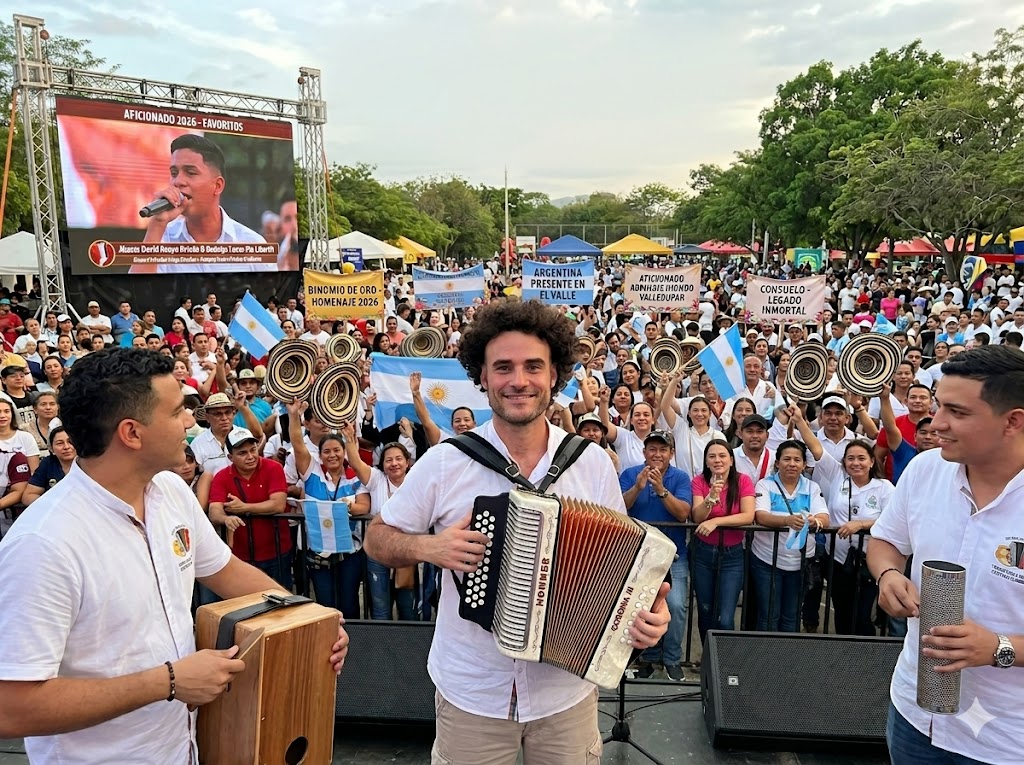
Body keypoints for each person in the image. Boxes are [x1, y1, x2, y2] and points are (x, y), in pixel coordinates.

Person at [0, 349, 348, 762]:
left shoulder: (169, 490)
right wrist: (166, 682)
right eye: (178, 411)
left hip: (183, 750)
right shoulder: (43, 544)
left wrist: (311, 620)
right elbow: (12, 708)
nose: (189, 422)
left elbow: (228, 571)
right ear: (132, 433)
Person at [364, 299, 669, 764]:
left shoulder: (590, 463)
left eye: (533, 366)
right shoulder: (447, 461)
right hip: (473, 692)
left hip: (566, 693)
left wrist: (647, 616)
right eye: (502, 367)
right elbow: (378, 537)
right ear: (482, 377)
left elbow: (621, 571)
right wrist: (430, 547)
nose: (518, 381)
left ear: (554, 376)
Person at [869, 345, 1024, 765]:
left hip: (1005, 740)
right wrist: (887, 576)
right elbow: (884, 542)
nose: (936, 424)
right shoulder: (924, 470)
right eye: (938, 406)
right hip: (913, 718)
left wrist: (1000, 647)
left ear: (1013, 421)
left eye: (957, 412)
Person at [792, 409, 895, 636]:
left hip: (870, 561)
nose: (855, 463)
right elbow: (816, 449)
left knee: (862, 615)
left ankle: (864, 658)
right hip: (838, 560)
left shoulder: (885, 488)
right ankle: (844, 659)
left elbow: (892, 519)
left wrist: (861, 525)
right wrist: (799, 421)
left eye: (861, 458)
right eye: (850, 458)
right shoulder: (838, 474)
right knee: (842, 612)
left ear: (871, 461)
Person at [286, 402, 370, 618]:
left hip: (349, 551)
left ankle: (353, 645)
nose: (332, 455)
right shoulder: (312, 473)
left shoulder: (355, 477)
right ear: (320, 456)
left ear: (344, 452)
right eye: (326, 452)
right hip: (318, 551)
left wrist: (348, 507)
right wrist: (294, 415)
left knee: (349, 602)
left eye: (336, 450)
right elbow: (297, 444)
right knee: (325, 604)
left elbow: (365, 506)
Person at [620, 430, 692, 680]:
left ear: (671, 453)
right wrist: (638, 487)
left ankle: (672, 658)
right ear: (644, 452)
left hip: (674, 554)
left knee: (676, 605)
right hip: (640, 554)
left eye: (663, 449)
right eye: (652, 449)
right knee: (642, 605)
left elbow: (683, 513)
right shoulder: (630, 474)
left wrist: (661, 490)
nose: (657, 454)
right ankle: (647, 657)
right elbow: (619, 508)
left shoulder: (680, 477)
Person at [140, 134, 269, 273]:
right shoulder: (160, 238)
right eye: (174, 173)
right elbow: (136, 292)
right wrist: (157, 225)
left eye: (190, 172)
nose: (178, 181)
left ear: (218, 186)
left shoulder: (252, 244)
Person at [342, 420, 417, 620]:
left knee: (407, 604)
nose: (394, 463)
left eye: (399, 459)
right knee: (380, 605)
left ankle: (410, 650)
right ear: (382, 465)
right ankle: (381, 646)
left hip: (406, 551)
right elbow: (356, 463)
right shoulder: (376, 479)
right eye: (388, 460)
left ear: (407, 462)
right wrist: (349, 438)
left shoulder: (416, 481)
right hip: (377, 551)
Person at [751, 439, 829, 631]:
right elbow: (761, 516)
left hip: (801, 562)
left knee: (792, 615)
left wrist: (814, 521)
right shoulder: (765, 485)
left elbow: (824, 517)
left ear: (804, 464)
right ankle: (766, 658)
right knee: (769, 613)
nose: (792, 464)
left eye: (797, 460)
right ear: (777, 462)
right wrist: (787, 521)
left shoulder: (812, 487)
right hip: (767, 560)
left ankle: (787, 658)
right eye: (786, 459)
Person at [690, 439, 755, 641]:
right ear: (706, 461)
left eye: (722, 455)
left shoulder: (743, 481)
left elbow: (748, 515)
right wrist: (710, 498)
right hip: (703, 553)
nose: (717, 460)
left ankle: (724, 660)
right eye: (712, 456)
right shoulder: (699, 481)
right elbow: (697, 517)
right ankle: (708, 659)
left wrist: (717, 521)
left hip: (732, 554)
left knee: (726, 617)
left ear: (731, 460)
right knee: (705, 609)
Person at [22, 426, 76, 505]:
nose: (66, 447)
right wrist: (50, 503)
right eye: (60, 443)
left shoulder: (89, 463)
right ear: (51, 449)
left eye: (70, 442)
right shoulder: (47, 463)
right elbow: (28, 496)